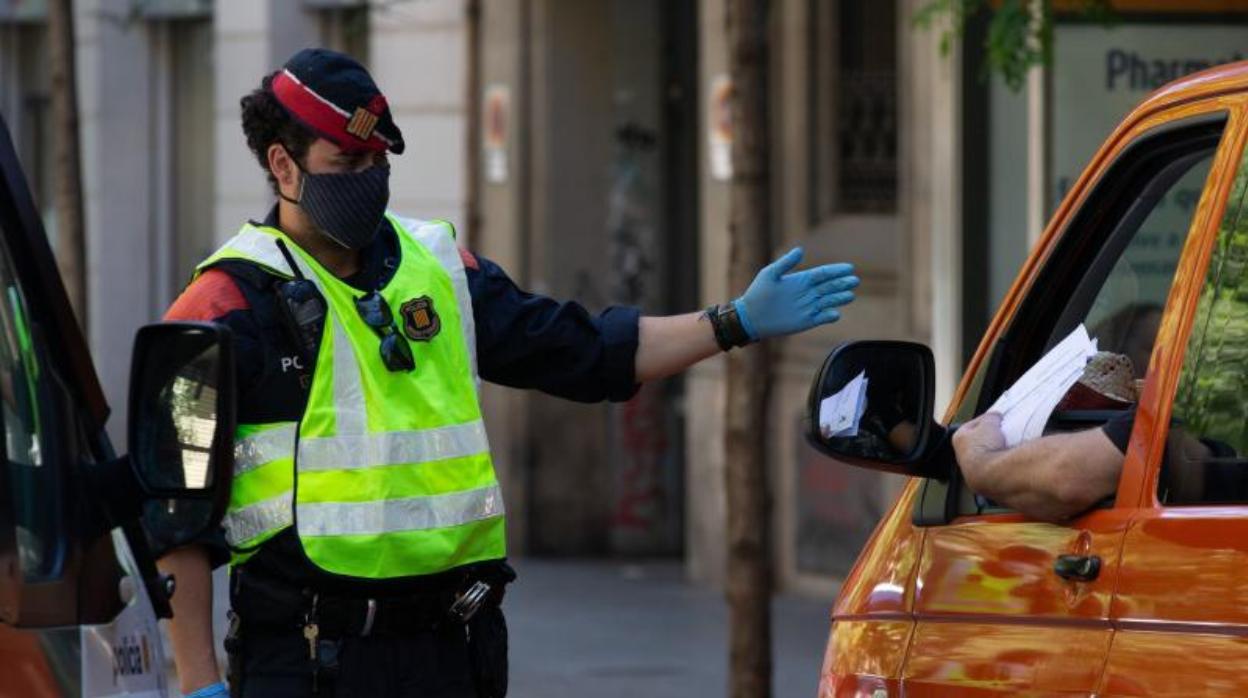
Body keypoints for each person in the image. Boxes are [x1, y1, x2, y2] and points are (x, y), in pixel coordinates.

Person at [157, 48, 860, 698]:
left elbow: (583, 349)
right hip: (311, 662)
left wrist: (733, 322)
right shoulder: (220, 305)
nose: (369, 181)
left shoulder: (438, 268)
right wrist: (198, 682)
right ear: (283, 166)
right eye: (347, 163)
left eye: (380, 162)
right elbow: (173, 510)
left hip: (456, 651)